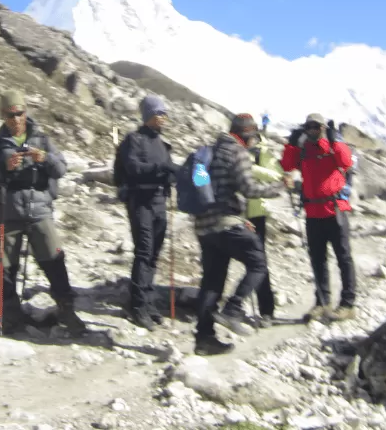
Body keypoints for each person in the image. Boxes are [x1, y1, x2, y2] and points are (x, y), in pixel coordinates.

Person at [0, 90, 87, 337]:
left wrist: (44, 159)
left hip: (39, 210)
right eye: (10, 115)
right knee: (6, 267)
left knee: (54, 260)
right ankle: (8, 315)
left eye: (19, 113)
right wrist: (4, 167)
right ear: (2, 115)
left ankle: (67, 311)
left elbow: (61, 169)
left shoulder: (43, 139)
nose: (15, 119)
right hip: (8, 210)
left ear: (26, 112)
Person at [193, 113, 282, 355]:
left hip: (203, 225)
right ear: (247, 134)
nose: (254, 142)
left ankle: (204, 338)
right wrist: (280, 187)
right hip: (226, 222)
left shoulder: (211, 151)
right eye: (253, 137)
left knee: (211, 282)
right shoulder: (238, 152)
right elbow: (248, 188)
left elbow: (215, 186)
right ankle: (233, 309)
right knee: (258, 263)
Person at [281, 113, 357, 322]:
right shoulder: (303, 148)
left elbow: (346, 162)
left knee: (344, 258)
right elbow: (287, 166)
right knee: (318, 259)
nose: (313, 130)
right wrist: (292, 144)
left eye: (317, 127)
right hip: (313, 211)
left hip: (335, 209)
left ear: (323, 127)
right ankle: (322, 302)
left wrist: (334, 139)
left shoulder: (332, 145)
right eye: (309, 127)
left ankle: (348, 304)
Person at [118, 95, 180, 330]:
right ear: (148, 116)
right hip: (140, 201)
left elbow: (167, 171)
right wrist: (162, 168)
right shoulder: (134, 140)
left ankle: (148, 301)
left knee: (154, 254)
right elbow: (133, 168)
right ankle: (137, 306)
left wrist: (171, 174)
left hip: (159, 202)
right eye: (159, 114)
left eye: (165, 113)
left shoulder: (163, 144)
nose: (163, 118)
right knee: (144, 252)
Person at [246, 142, 284, 328]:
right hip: (235, 211)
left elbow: (277, 174)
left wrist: (250, 168)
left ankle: (266, 310)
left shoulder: (262, 151)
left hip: (255, 212)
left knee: (258, 261)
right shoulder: (235, 146)